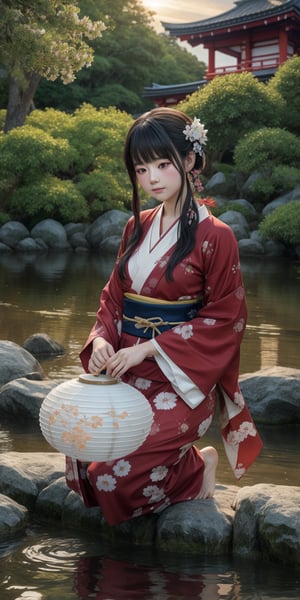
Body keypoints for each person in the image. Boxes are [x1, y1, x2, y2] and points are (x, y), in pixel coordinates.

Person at [66, 107, 263, 526]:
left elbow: (226, 318)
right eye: (141, 169)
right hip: (125, 374)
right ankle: (173, 464)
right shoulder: (136, 226)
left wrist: (150, 349)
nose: (152, 178)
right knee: (83, 451)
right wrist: (102, 339)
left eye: (161, 164)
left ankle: (194, 469)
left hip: (179, 381)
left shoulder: (216, 236)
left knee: (108, 477)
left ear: (189, 161)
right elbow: (113, 297)